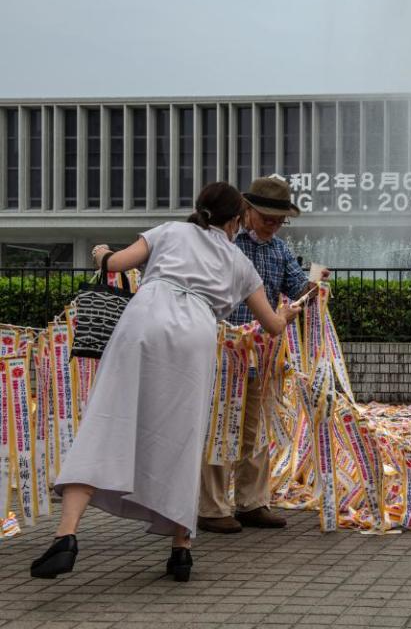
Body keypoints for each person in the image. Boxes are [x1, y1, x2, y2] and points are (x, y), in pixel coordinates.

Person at [30, 182, 302, 582]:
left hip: (143, 321)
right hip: (194, 335)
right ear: (237, 218)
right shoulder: (240, 263)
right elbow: (274, 325)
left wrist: (101, 253)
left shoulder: (170, 231)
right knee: (183, 438)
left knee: (107, 420)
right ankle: (180, 550)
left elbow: (117, 264)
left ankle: (66, 535)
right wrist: (291, 312)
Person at [198, 176, 328, 533]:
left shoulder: (279, 250)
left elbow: (298, 290)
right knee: (219, 426)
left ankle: (252, 502)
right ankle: (212, 508)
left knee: (254, 430)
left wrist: (315, 286)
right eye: (267, 218)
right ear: (247, 211)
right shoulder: (225, 242)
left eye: (279, 221)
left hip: (262, 355)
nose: (273, 226)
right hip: (222, 351)